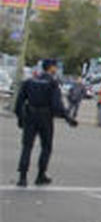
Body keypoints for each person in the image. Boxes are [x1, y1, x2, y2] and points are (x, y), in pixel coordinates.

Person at [13, 59, 78, 187]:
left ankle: (22, 177)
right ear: (51, 68)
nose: (56, 69)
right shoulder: (52, 83)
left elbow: (19, 103)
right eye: (55, 67)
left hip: (30, 115)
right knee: (46, 147)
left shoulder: (29, 82)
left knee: (27, 147)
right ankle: (40, 175)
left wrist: (20, 118)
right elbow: (57, 105)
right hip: (45, 117)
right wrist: (67, 118)